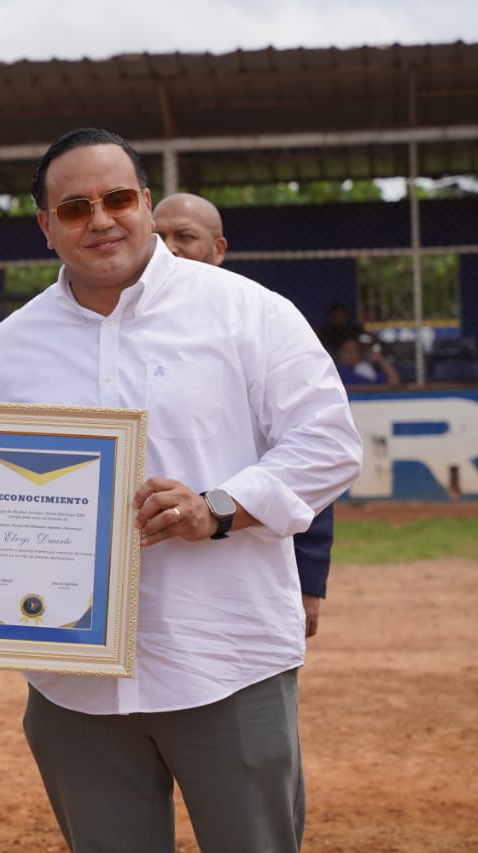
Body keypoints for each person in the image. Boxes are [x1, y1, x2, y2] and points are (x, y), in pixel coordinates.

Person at [0, 128, 362, 852]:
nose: (101, 219)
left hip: (224, 662)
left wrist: (216, 507)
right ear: (47, 226)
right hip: (73, 684)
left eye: (118, 198)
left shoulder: (248, 312)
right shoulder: (14, 342)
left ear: (146, 203)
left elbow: (329, 443)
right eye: (76, 206)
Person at [152, 191, 335, 637]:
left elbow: (311, 460)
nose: (170, 247)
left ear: (218, 249)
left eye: (185, 236)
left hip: (239, 587)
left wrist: (308, 580)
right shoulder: (119, 328)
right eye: (158, 236)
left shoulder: (261, 323)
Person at [335, 333, 402, 387]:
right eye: (347, 351)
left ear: (360, 353)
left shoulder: (366, 368)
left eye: (354, 351)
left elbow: (395, 383)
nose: (351, 354)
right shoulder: (336, 371)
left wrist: (380, 359)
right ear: (339, 353)